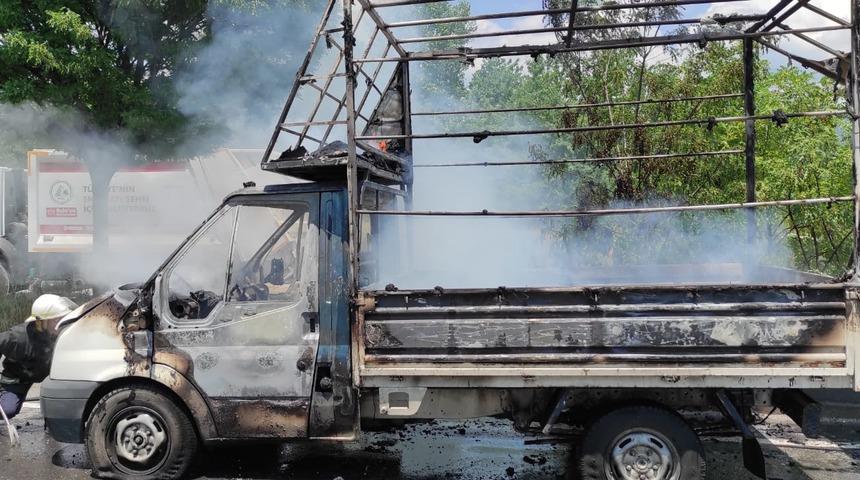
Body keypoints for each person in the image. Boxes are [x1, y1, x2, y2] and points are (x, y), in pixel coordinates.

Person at [0, 294, 77, 423]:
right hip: (18, 378)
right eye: (56, 320)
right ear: (41, 322)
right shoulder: (17, 338)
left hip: (50, 377)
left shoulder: (63, 334)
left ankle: (53, 425)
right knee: (8, 409)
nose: (61, 324)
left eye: (62, 319)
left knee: (65, 406)